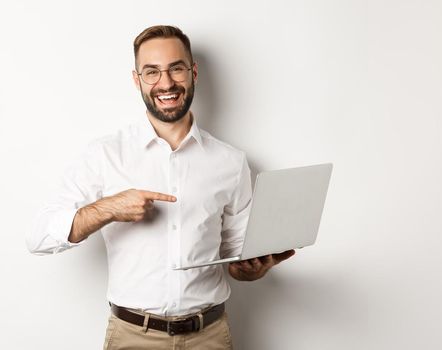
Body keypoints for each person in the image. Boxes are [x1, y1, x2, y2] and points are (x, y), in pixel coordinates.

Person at [26, 25, 294, 350]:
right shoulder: (105, 155)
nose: (166, 83)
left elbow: (235, 254)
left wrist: (250, 269)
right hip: (132, 337)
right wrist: (108, 208)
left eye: (176, 69)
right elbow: (37, 237)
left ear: (193, 72)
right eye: (152, 72)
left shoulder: (230, 161)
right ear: (137, 80)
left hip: (209, 336)